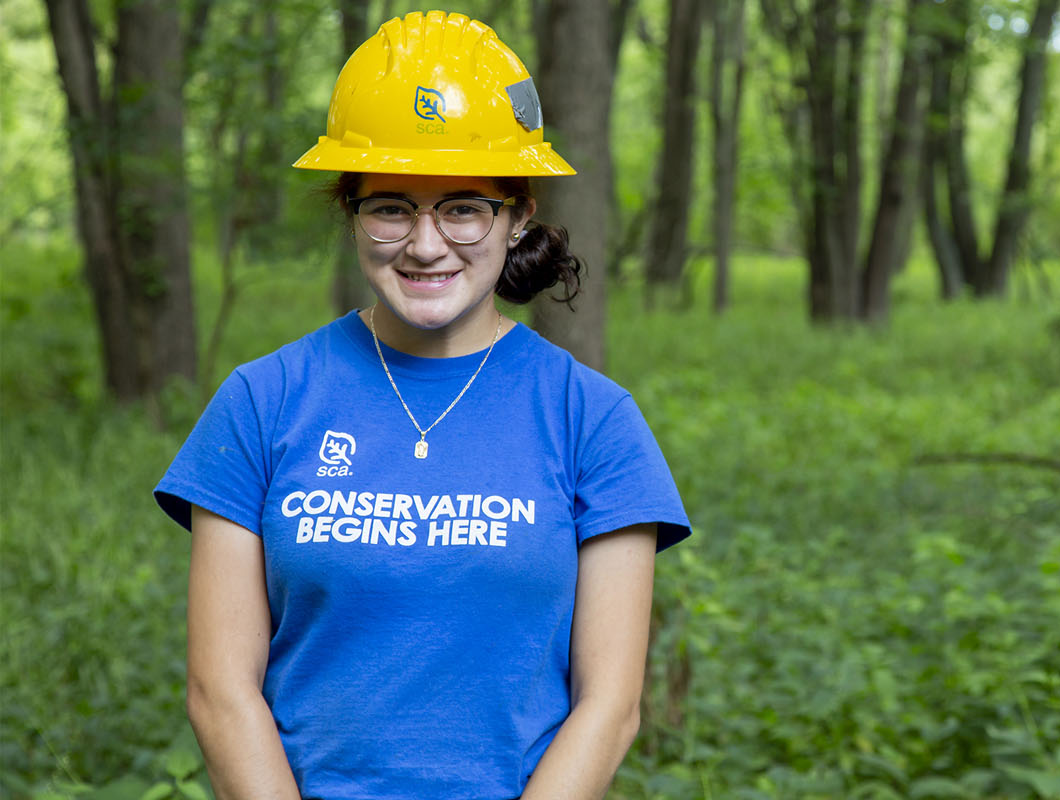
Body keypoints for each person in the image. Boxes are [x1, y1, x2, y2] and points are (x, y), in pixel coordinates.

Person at [154, 11, 690, 800]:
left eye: (465, 207)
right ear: (351, 212)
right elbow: (219, 694)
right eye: (392, 206)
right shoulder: (262, 403)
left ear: (517, 218)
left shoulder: (593, 420)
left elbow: (608, 708)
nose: (427, 244)